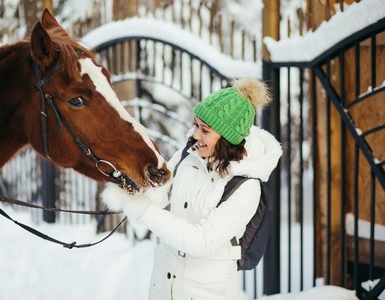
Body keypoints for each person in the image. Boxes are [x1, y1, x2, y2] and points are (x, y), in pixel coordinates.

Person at [101, 77, 282, 300]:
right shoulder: (190, 154)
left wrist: (144, 210)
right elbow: (160, 194)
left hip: (206, 293)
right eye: (196, 125)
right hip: (164, 286)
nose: (196, 135)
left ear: (227, 138)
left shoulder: (246, 186)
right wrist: (132, 186)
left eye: (205, 130)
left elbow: (201, 241)